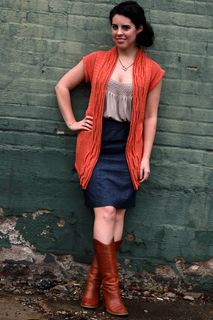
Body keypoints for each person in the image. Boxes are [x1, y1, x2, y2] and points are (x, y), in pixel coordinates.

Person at [55, 1, 165, 316]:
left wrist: (145, 158)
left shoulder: (152, 71)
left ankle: (92, 284)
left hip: (128, 149)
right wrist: (73, 122)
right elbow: (62, 86)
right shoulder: (96, 61)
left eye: (125, 27)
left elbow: (150, 119)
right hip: (97, 147)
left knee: (117, 216)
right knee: (105, 211)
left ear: (138, 29)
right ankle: (112, 293)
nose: (118, 32)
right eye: (114, 26)